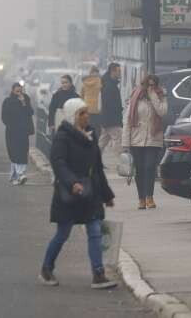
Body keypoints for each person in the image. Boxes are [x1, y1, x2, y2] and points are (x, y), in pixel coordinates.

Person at [39, 98, 117, 290]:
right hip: (69, 193)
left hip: (90, 193)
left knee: (95, 232)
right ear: (72, 116)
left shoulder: (91, 135)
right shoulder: (62, 137)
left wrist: (107, 195)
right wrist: (72, 182)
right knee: (62, 234)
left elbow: (97, 168)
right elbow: (58, 163)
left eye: (86, 112)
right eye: (81, 113)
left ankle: (98, 274)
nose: (86, 116)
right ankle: (46, 269)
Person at [122, 73, 168, 210]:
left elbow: (162, 112)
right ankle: (141, 199)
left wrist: (153, 95)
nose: (151, 86)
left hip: (153, 139)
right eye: (149, 84)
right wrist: (125, 143)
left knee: (149, 167)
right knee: (140, 170)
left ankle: (150, 197)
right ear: (144, 84)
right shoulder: (135, 97)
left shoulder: (161, 96)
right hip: (136, 140)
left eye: (153, 84)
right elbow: (127, 121)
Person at [1, 82, 34, 184]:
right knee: (14, 153)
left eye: (20, 91)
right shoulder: (8, 101)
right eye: (17, 91)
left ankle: (21, 174)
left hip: (23, 131)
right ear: (12, 90)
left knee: (23, 152)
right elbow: (4, 117)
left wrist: (24, 103)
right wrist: (11, 125)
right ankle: (16, 175)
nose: (19, 93)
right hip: (12, 131)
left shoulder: (26, 99)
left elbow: (30, 112)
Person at [97, 63, 123, 161]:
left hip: (107, 120)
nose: (120, 73)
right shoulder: (109, 86)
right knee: (118, 142)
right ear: (113, 72)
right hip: (112, 120)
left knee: (102, 143)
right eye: (118, 71)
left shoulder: (108, 83)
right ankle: (122, 163)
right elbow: (109, 105)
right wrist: (117, 116)